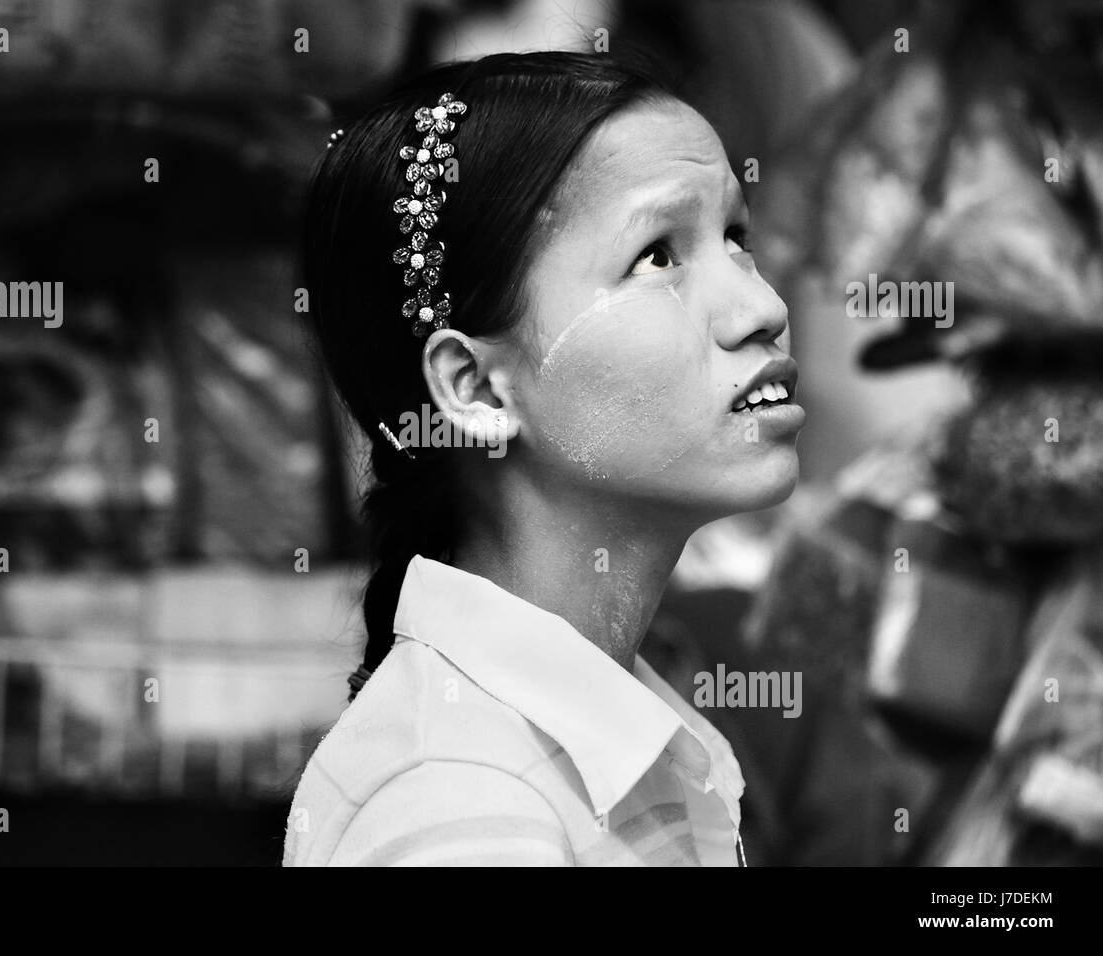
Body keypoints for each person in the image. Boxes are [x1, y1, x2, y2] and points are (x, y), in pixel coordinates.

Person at [284, 51, 804, 866]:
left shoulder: (600, 741)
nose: (763, 307)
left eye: (735, 237)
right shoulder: (461, 805)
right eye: (658, 256)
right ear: (477, 389)